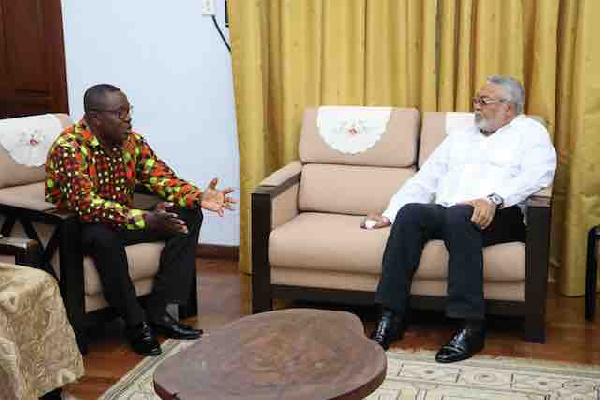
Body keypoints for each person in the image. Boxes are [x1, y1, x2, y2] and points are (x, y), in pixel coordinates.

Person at [362, 75, 556, 363]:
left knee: (458, 217)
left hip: (501, 214)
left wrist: (494, 199)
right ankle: (391, 316)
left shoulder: (530, 133)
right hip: (453, 211)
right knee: (411, 213)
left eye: (484, 101)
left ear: (509, 109)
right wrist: (390, 214)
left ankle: (471, 325)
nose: (476, 107)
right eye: (476, 100)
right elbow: (426, 179)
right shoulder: (461, 136)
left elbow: (538, 175)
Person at [45, 84, 236, 356]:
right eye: (120, 113)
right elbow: (86, 206)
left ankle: (159, 311)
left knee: (189, 214)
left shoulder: (132, 141)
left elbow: (161, 178)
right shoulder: (69, 148)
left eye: (128, 111)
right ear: (96, 118)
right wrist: (146, 219)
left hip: (124, 220)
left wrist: (197, 196)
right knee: (102, 236)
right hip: (78, 229)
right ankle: (136, 324)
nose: (128, 119)